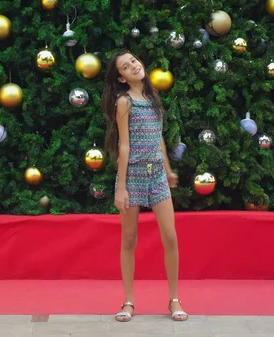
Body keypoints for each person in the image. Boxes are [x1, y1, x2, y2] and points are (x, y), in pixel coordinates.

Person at [101, 51, 188, 322]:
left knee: (170, 237)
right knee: (129, 239)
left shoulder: (153, 99)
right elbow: (124, 146)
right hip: (133, 175)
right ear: (121, 78)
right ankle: (128, 301)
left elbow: (159, 138)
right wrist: (121, 188)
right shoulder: (124, 102)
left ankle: (174, 299)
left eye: (134, 61)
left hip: (157, 175)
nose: (133, 66)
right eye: (126, 67)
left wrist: (169, 169)